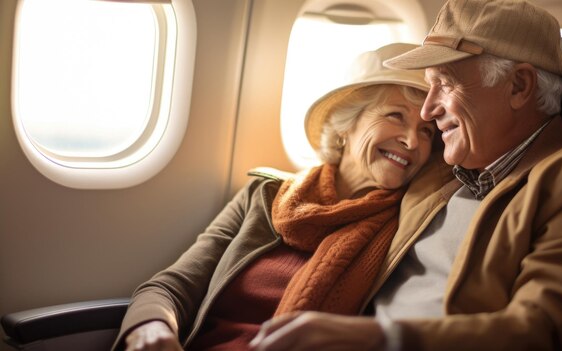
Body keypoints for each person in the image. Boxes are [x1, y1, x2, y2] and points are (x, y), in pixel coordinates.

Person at [248, 1, 562, 351]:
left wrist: (379, 337)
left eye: (444, 84)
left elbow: (544, 330)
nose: (428, 111)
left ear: (518, 86)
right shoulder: (434, 168)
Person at [113, 43, 448, 351]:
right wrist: (152, 328)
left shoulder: (408, 224)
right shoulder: (265, 194)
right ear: (347, 123)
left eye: (426, 131)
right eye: (395, 116)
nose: (413, 142)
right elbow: (172, 286)